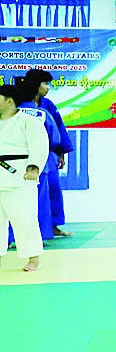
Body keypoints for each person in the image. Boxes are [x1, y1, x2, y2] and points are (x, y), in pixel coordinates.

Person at [0, 83, 49, 272]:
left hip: (20, 176)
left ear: (9, 101)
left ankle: (33, 259)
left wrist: (34, 167)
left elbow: (39, 146)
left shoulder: (29, 122)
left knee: (25, 220)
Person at [23, 69, 71, 237]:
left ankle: (53, 226)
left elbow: (58, 128)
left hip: (47, 153)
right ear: (35, 85)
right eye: (45, 84)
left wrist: (61, 153)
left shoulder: (48, 105)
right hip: (23, 154)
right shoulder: (19, 104)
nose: (48, 87)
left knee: (53, 187)